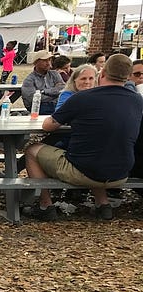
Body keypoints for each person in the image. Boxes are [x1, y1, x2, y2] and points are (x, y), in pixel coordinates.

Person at [23, 54, 142, 221]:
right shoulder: (137, 100)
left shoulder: (82, 98)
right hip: (121, 172)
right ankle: (103, 204)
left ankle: (45, 205)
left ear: (102, 73)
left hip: (84, 171)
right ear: (129, 76)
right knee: (98, 151)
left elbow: (48, 125)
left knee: (32, 150)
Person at [21, 50, 63, 115]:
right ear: (36, 62)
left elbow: (62, 89)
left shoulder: (55, 74)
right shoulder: (29, 80)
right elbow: (31, 98)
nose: (48, 63)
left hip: (56, 105)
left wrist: (44, 91)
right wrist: (55, 96)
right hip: (40, 108)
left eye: (49, 60)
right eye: (45, 60)